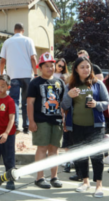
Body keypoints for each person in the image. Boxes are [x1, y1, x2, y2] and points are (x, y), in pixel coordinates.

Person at [62, 56, 109, 197]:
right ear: (76, 69)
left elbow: (107, 103)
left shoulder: (98, 84)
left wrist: (97, 104)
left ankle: (99, 185)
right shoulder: (69, 86)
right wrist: (68, 96)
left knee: (96, 157)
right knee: (81, 156)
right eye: (82, 67)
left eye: (87, 67)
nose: (85, 69)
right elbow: (64, 106)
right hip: (76, 127)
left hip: (95, 127)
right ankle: (85, 182)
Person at [27, 52, 65, 189]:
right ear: (40, 67)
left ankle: (54, 177)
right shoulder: (35, 83)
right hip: (41, 120)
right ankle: (40, 177)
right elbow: (30, 103)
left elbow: (63, 102)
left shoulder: (60, 82)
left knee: (54, 149)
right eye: (46, 66)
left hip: (57, 120)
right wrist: (31, 121)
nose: (50, 68)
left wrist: (64, 120)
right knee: (42, 148)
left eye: (52, 65)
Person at [0, 23, 37, 134]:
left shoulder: (7, 42)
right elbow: (33, 58)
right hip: (26, 75)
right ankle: (26, 125)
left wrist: (2, 75)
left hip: (13, 75)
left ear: (14, 30)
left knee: (14, 100)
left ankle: (15, 124)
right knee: (26, 101)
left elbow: (2, 61)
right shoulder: (28, 40)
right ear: (23, 30)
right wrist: (35, 74)